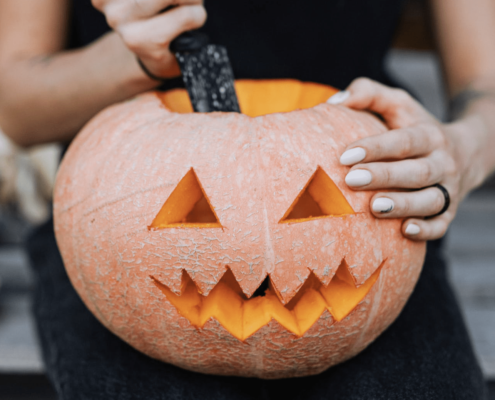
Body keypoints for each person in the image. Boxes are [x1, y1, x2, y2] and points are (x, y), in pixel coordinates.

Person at [0, 0, 494, 398]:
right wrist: (132, 56)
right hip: (122, 231)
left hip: (372, 213)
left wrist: (466, 146)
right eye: (204, 211)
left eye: (306, 202)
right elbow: (15, 106)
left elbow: (486, 86)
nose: (256, 254)